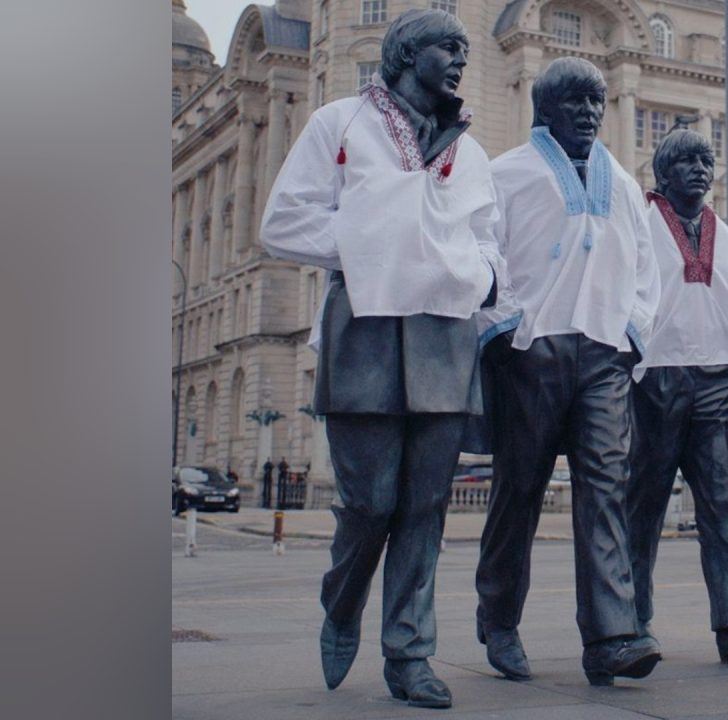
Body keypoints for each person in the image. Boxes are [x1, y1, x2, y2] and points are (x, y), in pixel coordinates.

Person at [259, 9, 507, 709]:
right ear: (405, 52)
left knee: (426, 506)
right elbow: (282, 221)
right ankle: (342, 603)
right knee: (368, 504)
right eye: (445, 48)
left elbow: (489, 237)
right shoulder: (340, 123)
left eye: (464, 49)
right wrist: (374, 247)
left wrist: (478, 272)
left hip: (445, 332)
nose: (459, 60)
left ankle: (409, 652)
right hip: (364, 324)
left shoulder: (473, 151)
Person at [472, 56, 662, 687]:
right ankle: (499, 618)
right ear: (544, 108)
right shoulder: (506, 173)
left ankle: (611, 637)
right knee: (518, 490)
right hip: (533, 351)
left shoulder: (627, 185)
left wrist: (633, 334)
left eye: (595, 102)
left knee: (607, 490)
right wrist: (504, 329)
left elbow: (645, 271)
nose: (587, 112)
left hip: (605, 353)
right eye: (574, 101)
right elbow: (484, 251)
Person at [625, 129, 728, 668]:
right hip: (656, 379)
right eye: (685, 161)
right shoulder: (639, 227)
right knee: (640, 511)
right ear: (663, 172)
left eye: (705, 160)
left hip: (717, 381)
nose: (698, 169)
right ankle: (632, 626)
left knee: (722, 512)